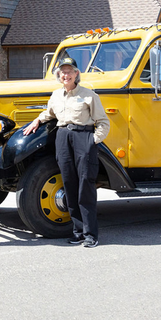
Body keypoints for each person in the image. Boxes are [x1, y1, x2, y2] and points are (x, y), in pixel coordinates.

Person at [22, 56, 110, 247]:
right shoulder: (55, 96)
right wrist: (37, 120)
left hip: (82, 137)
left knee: (85, 185)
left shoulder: (89, 95)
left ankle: (90, 235)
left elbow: (103, 122)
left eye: (70, 71)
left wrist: (92, 141)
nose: (66, 75)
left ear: (76, 74)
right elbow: (50, 113)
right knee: (69, 184)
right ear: (59, 75)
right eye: (63, 71)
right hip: (62, 138)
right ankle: (78, 232)